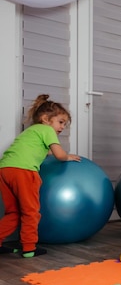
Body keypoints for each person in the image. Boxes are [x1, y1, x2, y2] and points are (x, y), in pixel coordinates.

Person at [0, 94, 81, 258]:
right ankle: (29, 247)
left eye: (64, 124)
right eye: (60, 122)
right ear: (45, 119)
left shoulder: (32, 131)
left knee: (13, 212)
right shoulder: (47, 130)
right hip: (24, 171)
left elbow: (44, 151)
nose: (62, 127)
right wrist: (67, 156)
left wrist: (58, 153)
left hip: (5, 169)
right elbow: (58, 154)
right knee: (31, 211)